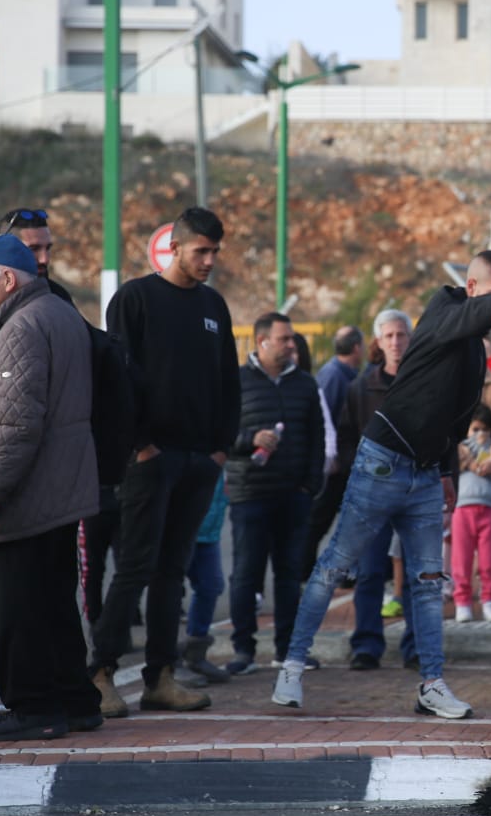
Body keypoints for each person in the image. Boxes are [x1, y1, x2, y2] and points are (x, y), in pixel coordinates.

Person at [273, 251, 491, 718]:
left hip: (426, 472)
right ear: (471, 290)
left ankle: (432, 684)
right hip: (382, 460)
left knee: (429, 582)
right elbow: (470, 316)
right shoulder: (443, 309)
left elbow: (453, 418)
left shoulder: (475, 349)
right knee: (335, 565)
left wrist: (446, 472)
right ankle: (292, 667)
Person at [0, 234, 101, 741]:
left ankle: (33, 708)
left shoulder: (22, 329)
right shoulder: (54, 314)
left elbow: (15, 424)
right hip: (60, 490)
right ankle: (77, 701)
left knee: (19, 607)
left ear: (7, 279)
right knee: (54, 602)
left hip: (28, 494)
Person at [90, 207, 240, 717]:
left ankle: (160, 677)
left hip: (200, 460)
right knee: (135, 568)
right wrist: (141, 444)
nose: (210, 260)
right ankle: (100, 674)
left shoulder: (214, 305)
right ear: (173, 248)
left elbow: (228, 381)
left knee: (172, 572)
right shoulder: (135, 298)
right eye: (201, 250)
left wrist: (220, 448)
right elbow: (117, 377)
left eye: (215, 251)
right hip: (151, 459)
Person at [223, 313, 325, 675]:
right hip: (250, 494)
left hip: (293, 496)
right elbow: (221, 433)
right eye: (284, 339)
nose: (291, 345)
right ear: (261, 341)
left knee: (289, 575)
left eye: (291, 338)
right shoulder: (236, 381)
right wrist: (250, 439)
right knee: (246, 574)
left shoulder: (304, 384)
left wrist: (310, 485)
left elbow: (317, 437)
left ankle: (288, 650)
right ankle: (243, 651)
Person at [336, 309, 417, 671]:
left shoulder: (425, 383)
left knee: (417, 573)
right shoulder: (360, 388)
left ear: (411, 339)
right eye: (389, 336)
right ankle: (366, 645)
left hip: (415, 491)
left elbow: (443, 435)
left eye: (401, 335)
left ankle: (417, 646)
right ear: (378, 342)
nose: (396, 342)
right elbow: (345, 438)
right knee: (369, 571)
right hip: (372, 495)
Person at [305, 325, 364, 574]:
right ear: (357, 347)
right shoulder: (333, 376)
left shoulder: (345, 374)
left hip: (345, 460)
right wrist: (331, 454)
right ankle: (303, 569)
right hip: (335, 464)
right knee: (319, 519)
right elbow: (324, 418)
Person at [451, 405, 491, 622]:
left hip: (488, 510)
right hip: (462, 509)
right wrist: (469, 458)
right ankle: (462, 602)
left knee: (489, 561)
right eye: (475, 429)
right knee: (461, 560)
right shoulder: (461, 448)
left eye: (485, 429)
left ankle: (489, 599)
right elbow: (455, 458)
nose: (480, 434)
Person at [180, 475, 230, 684]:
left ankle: (195, 654)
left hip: (209, 531)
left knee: (211, 585)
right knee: (169, 590)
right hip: (180, 528)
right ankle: (167, 663)